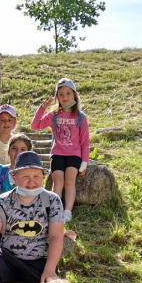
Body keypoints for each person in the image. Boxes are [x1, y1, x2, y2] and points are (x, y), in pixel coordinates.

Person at [0, 152, 66, 283]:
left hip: (39, 262)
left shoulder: (52, 200)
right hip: (9, 260)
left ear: (43, 177)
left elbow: (56, 236)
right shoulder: (3, 201)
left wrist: (50, 269)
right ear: (14, 177)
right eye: (25, 176)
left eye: (36, 176)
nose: (31, 182)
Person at [32, 78, 90, 221]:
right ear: (57, 97)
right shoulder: (54, 115)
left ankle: (67, 211)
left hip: (74, 155)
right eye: (61, 94)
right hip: (57, 154)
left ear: (74, 95)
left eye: (68, 93)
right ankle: (55, 210)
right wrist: (42, 108)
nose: (65, 97)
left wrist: (84, 162)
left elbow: (85, 142)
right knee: (58, 182)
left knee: (70, 181)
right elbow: (35, 126)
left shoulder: (80, 117)